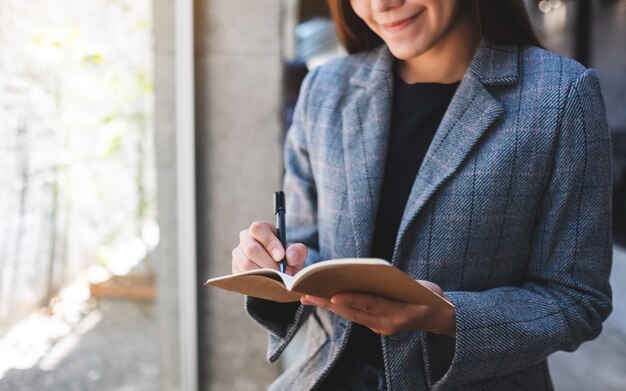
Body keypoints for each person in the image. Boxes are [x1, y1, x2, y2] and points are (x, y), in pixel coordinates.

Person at [232, 0, 613, 390]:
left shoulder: (560, 96)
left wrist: (445, 316)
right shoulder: (325, 89)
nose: (381, 4)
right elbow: (303, 244)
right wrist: (274, 266)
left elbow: (578, 299)